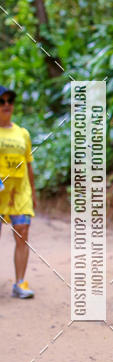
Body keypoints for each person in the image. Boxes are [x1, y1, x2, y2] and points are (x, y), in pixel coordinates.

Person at [0, 85, 36, 299]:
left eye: (9, 101)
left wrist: (33, 192)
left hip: (19, 191)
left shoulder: (23, 133)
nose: (6, 105)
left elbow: (29, 164)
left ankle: (20, 282)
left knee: (22, 231)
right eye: (1, 101)